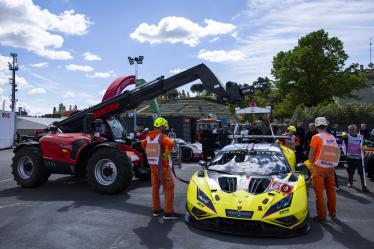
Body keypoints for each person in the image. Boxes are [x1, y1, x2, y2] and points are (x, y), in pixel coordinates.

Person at [141, 117, 180, 219]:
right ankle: (168, 212)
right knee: (169, 188)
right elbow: (170, 143)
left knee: (155, 188)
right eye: (165, 127)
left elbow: (142, 144)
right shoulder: (162, 137)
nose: (165, 128)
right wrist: (165, 154)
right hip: (163, 168)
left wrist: (148, 152)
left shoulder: (148, 138)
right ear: (161, 127)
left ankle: (156, 209)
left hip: (153, 169)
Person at [308, 117, 341, 222]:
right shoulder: (332, 137)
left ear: (316, 126)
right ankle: (333, 213)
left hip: (318, 167)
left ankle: (322, 216)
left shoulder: (316, 137)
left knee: (319, 192)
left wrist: (311, 165)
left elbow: (311, 154)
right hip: (330, 168)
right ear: (326, 126)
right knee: (331, 191)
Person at [342, 124, 369, 192]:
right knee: (350, 172)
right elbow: (343, 137)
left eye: (353, 129)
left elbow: (365, 143)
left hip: (359, 158)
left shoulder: (361, 136)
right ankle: (350, 182)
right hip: (350, 157)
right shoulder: (347, 136)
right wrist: (344, 134)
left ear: (356, 129)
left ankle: (364, 186)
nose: (351, 130)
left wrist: (364, 147)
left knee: (361, 172)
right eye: (350, 129)